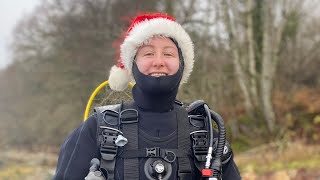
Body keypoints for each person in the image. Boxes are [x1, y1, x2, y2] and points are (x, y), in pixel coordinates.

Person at [53, 13, 241, 180]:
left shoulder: (206, 135)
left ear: (182, 65)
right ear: (132, 65)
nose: (158, 62)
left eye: (168, 53)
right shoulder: (97, 129)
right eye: (148, 53)